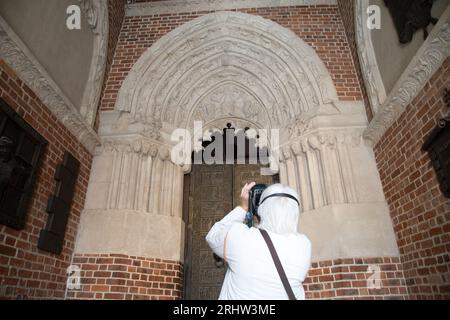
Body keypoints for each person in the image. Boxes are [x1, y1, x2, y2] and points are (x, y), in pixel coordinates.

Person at [206, 182, 312, 300]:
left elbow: (213, 236)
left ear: (261, 209)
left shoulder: (241, 237)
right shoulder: (304, 245)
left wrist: (243, 207)